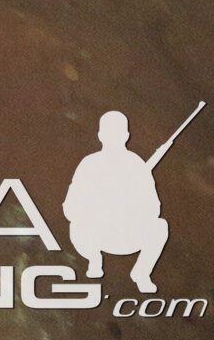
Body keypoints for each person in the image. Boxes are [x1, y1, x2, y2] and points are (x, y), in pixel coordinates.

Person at [64, 109, 171, 293]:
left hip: (127, 234)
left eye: (118, 133)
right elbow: (70, 206)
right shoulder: (89, 164)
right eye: (108, 133)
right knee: (76, 226)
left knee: (160, 227)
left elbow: (154, 208)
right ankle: (94, 259)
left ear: (126, 136)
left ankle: (141, 273)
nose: (113, 137)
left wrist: (130, 207)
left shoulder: (137, 165)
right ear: (100, 136)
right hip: (95, 235)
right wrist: (96, 210)